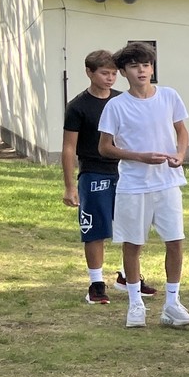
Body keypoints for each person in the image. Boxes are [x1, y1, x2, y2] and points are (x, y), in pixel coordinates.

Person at [96, 41, 189, 330]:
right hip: (133, 185)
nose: (141, 70)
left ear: (152, 68)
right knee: (133, 244)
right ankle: (135, 303)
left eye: (146, 65)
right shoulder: (116, 106)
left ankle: (172, 303)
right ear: (123, 72)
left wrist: (180, 155)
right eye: (134, 66)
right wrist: (140, 157)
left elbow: (182, 131)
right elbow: (104, 147)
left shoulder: (169, 96)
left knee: (175, 241)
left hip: (167, 183)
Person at [61, 49, 119, 305]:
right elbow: (68, 147)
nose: (110, 78)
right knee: (95, 228)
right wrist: (69, 186)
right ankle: (96, 283)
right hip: (94, 172)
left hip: (125, 171)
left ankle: (129, 276)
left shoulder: (121, 100)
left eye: (114, 74)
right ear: (89, 72)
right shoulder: (78, 106)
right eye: (105, 73)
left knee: (132, 225)